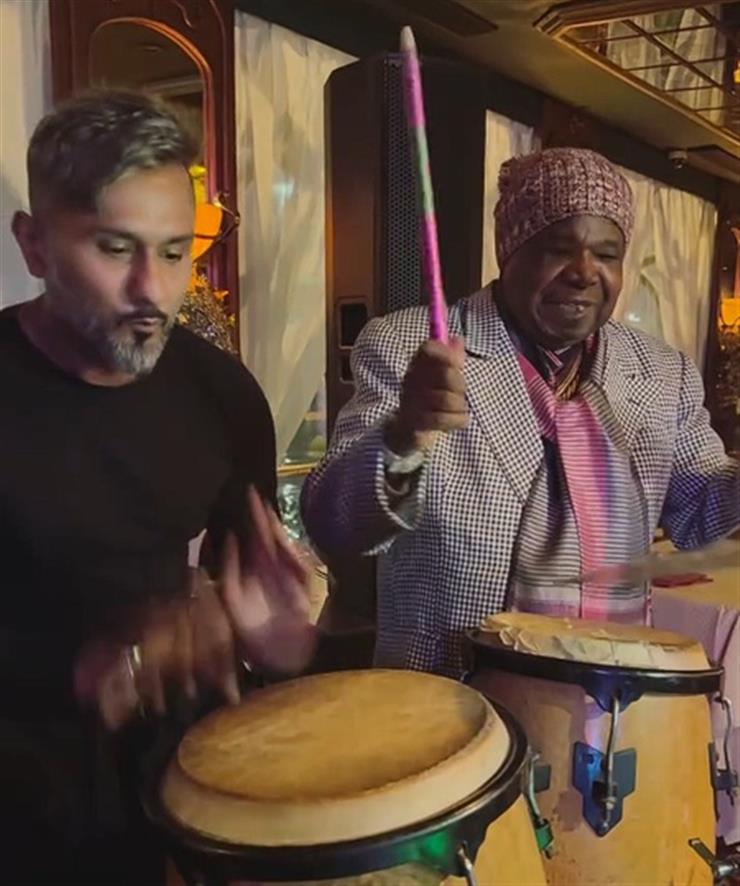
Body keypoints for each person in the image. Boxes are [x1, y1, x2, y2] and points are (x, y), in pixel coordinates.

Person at [0, 91, 315, 884]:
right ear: (33, 245)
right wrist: (86, 661)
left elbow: (243, 606)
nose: (153, 289)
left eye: (176, 253)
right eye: (116, 248)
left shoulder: (222, 394)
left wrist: (269, 639)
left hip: (171, 810)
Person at [302, 147, 739, 677]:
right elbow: (335, 525)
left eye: (607, 254)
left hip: (612, 696)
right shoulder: (411, 345)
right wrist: (403, 435)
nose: (585, 273)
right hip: (450, 696)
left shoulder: (662, 371)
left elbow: (701, 517)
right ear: (508, 251)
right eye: (559, 249)